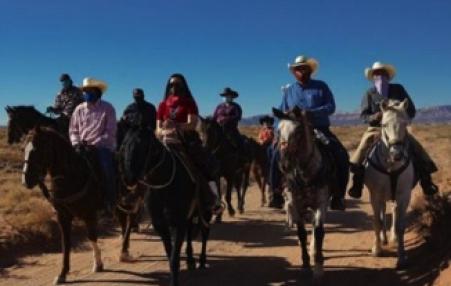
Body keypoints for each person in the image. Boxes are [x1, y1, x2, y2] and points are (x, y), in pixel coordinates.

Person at [269, 55, 349, 211]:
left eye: (304, 68)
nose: (301, 71)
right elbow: (280, 115)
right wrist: (278, 134)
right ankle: (276, 193)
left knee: (340, 154)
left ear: (310, 70)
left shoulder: (321, 86)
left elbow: (330, 107)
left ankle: (338, 195)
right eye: (298, 69)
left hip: (319, 129)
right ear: (294, 72)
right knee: (274, 154)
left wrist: (311, 113)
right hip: (292, 134)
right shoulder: (290, 91)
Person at [348, 61, 438, 198]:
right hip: (376, 129)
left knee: (416, 148)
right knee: (362, 149)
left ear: (388, 76)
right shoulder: (369, 93)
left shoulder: (398, 89)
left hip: (397, 128)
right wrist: (376, 116)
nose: (380, 76)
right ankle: (357, 182)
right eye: (377, 74)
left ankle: (426, 181)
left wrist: (400, 115)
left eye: (383, 74)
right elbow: (363, 116)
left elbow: (411, 110)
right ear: (372, 77)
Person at [156, 73, 222, 214]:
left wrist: (176, 126)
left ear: (183, 86)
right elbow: (158, 128)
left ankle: (211, 198)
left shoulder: (189, 103)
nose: (174, 87)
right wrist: (163, 131)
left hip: (184, 141)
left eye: (177, 84)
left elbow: (191, 124)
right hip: (165, 141)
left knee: (196, 166)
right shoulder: (162, 105)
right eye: (171, 84)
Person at [69, 77, 117, 212]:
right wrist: (76, 143)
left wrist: (95, 144)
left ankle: (110, 200)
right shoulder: (79, 109)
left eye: (89, 91)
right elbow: (73, 130)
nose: (86, 94)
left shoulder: (108, 108)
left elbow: (110, 132)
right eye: (84, 91)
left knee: (107, 168)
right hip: (81, 146)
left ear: (97, 92)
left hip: (101, 147)